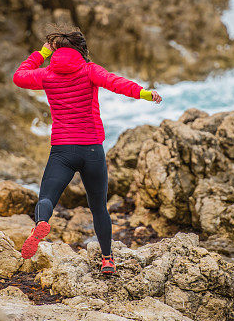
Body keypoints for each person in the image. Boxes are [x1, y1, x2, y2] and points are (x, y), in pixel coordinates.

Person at [12, 27, 162, 276]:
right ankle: (107, 260)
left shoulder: (47, 74)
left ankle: (41, 223)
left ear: (55, 50)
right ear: (81, 48)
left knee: (47, 197)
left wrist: (41, 53)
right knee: (98, 207)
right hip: (91, 149)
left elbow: (19, 76)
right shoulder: (88, 70)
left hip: (62, 150)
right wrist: (145, 93)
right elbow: (116, 83)